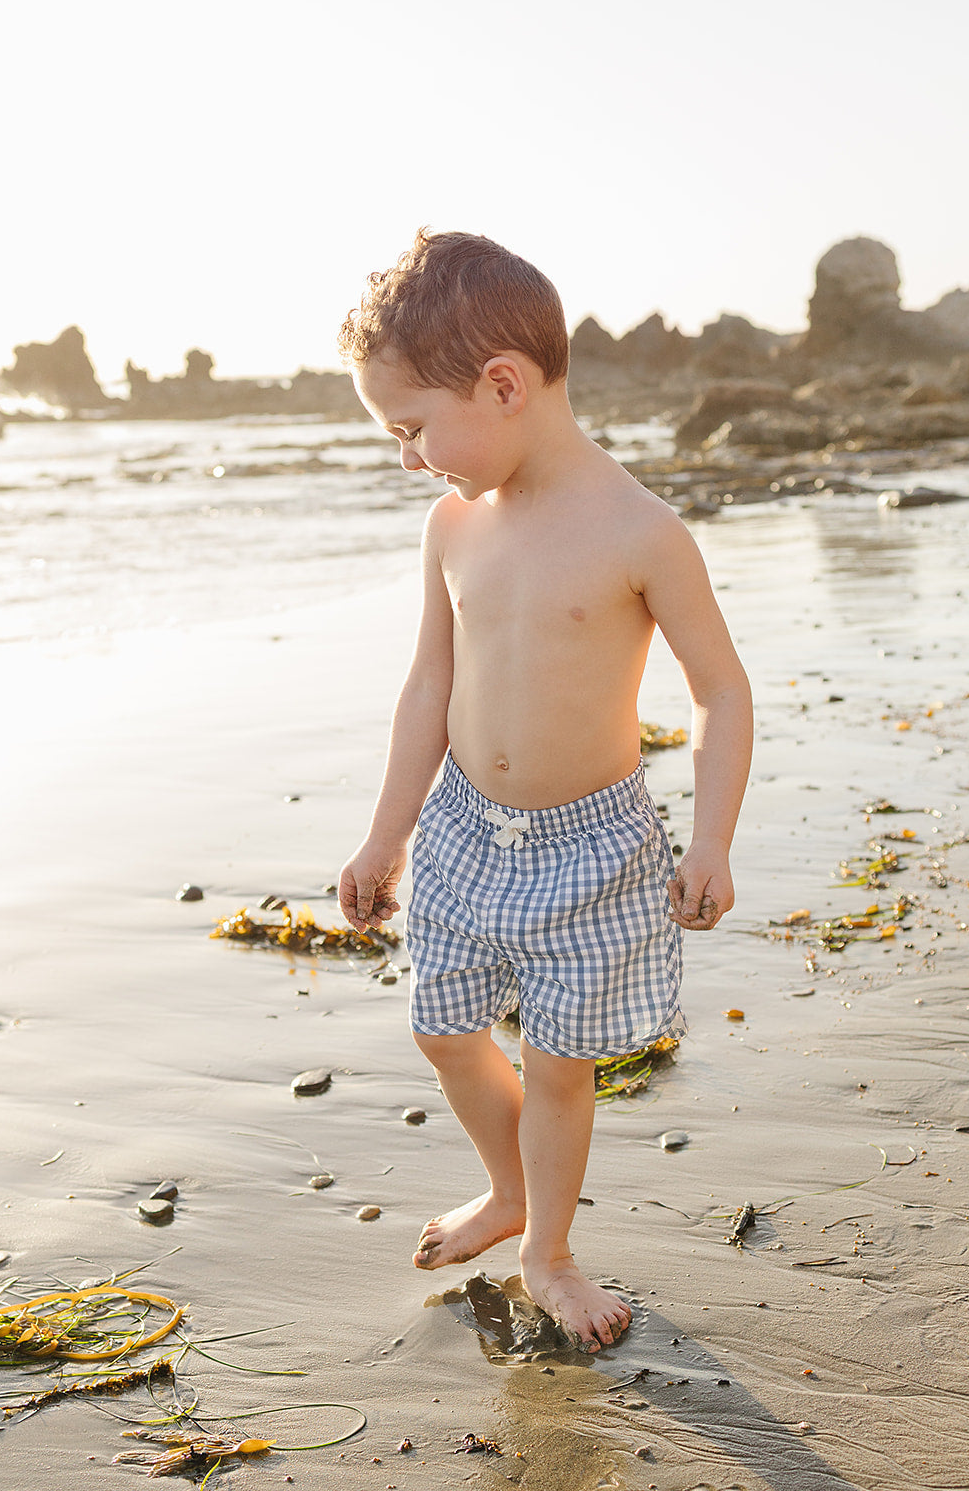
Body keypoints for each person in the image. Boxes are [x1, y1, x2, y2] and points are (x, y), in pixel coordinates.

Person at [337, 229, 753, 1353]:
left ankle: (548, 1248)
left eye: (412, 428)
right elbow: (430, 683)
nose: (411, 458)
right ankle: (505, 1185)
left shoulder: (639, 533)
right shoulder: (452, 527)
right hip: (466, 828)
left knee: (560, 1069)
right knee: (443, 1028)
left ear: (503, 384)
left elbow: (718, 690)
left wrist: (708, 840)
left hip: (590, 847)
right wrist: (387, 834)